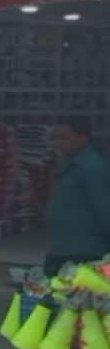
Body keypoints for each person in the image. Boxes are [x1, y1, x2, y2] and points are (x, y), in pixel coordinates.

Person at [44, 118, 110, 276]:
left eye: (63, 137)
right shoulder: (68, 164)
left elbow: (104, 211)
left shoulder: (92, 168)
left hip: (83, 253)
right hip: (61, 249)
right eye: (56, 138)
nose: (58, 143)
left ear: (82, 137)